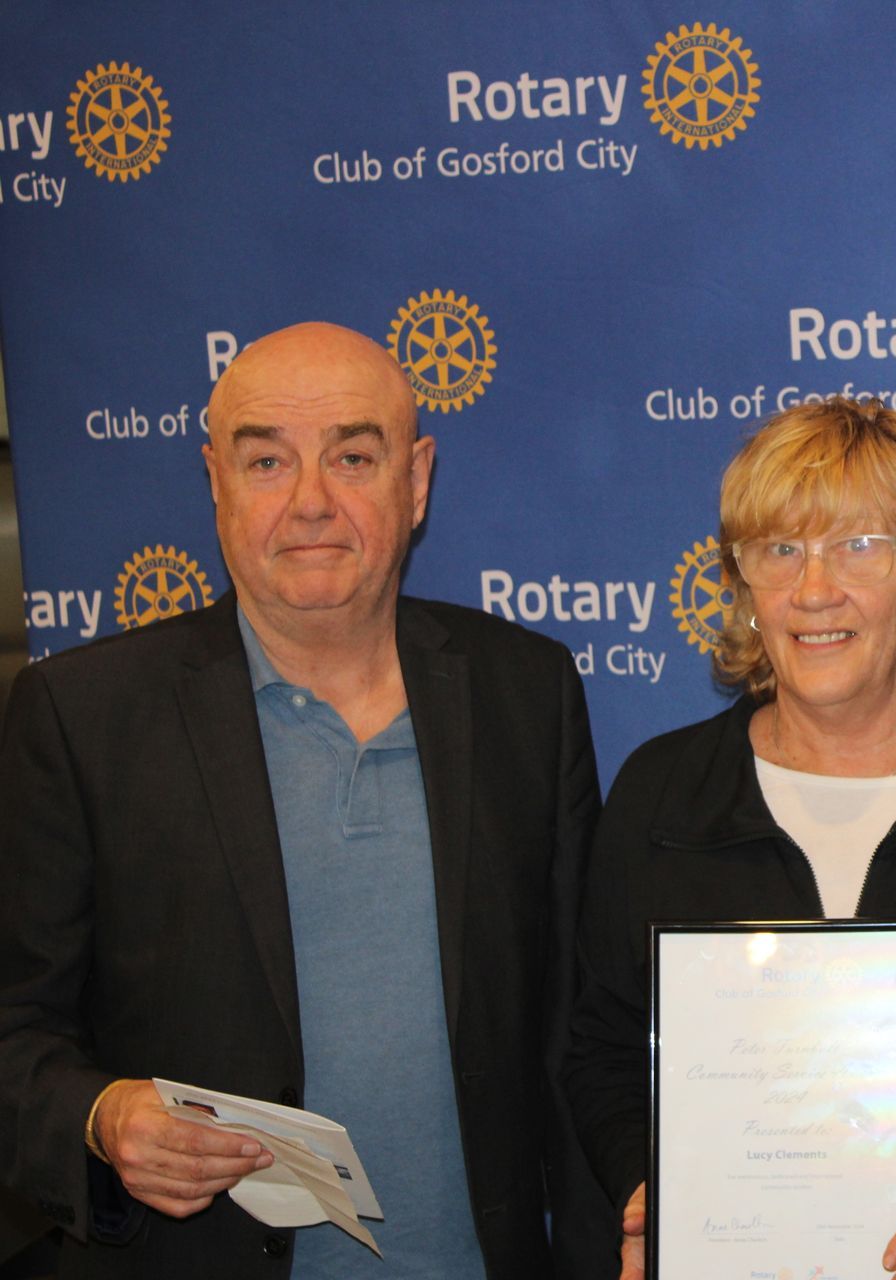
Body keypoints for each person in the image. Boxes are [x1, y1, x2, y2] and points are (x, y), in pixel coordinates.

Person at [0, 322, 605, 1278]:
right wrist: (100, 1113)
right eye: (267, 460)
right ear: (215, 481)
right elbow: (14, 1033)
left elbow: (581, 1027)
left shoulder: (528, 693)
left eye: (352, 456)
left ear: (416, 481)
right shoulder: (82, 718)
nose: (311, 501)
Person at [565, 398, 896, 1280]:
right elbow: (604, 1048)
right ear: (744, 583)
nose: (813, 588)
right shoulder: (662, 795)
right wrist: (650, 1188)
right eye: (780, 549)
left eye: (859, 545)